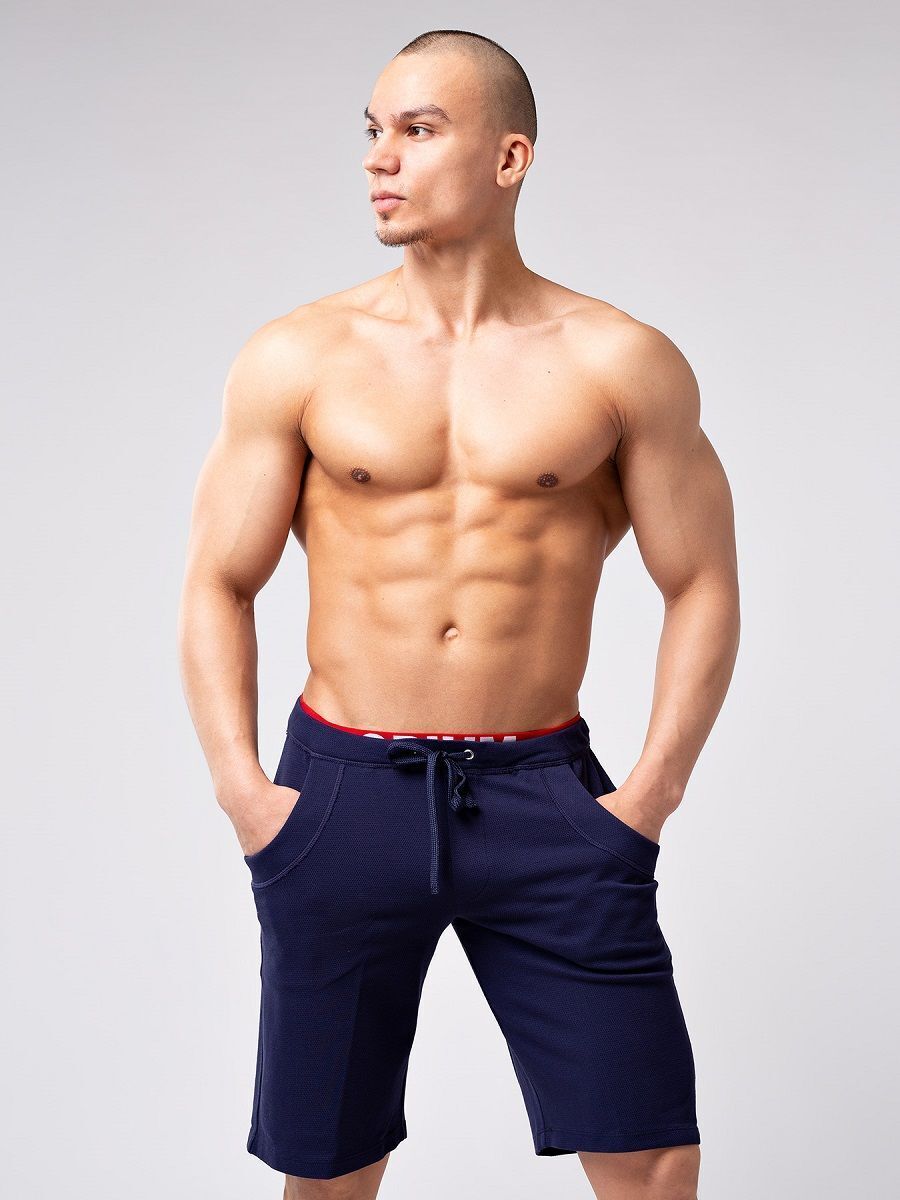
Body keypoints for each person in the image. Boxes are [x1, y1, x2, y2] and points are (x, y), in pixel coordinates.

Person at [178, 26, 739, 1200]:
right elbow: (220, 580)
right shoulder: (299, 355)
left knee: (651, 1156)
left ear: (509, 156)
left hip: (544, 797)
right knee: (328, 1164)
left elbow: (701, 581)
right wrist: (244, 792)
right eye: (372, 130)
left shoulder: (620, 360)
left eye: (419, 129)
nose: (379, 157)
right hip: (342, 793)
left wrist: (649, 798)